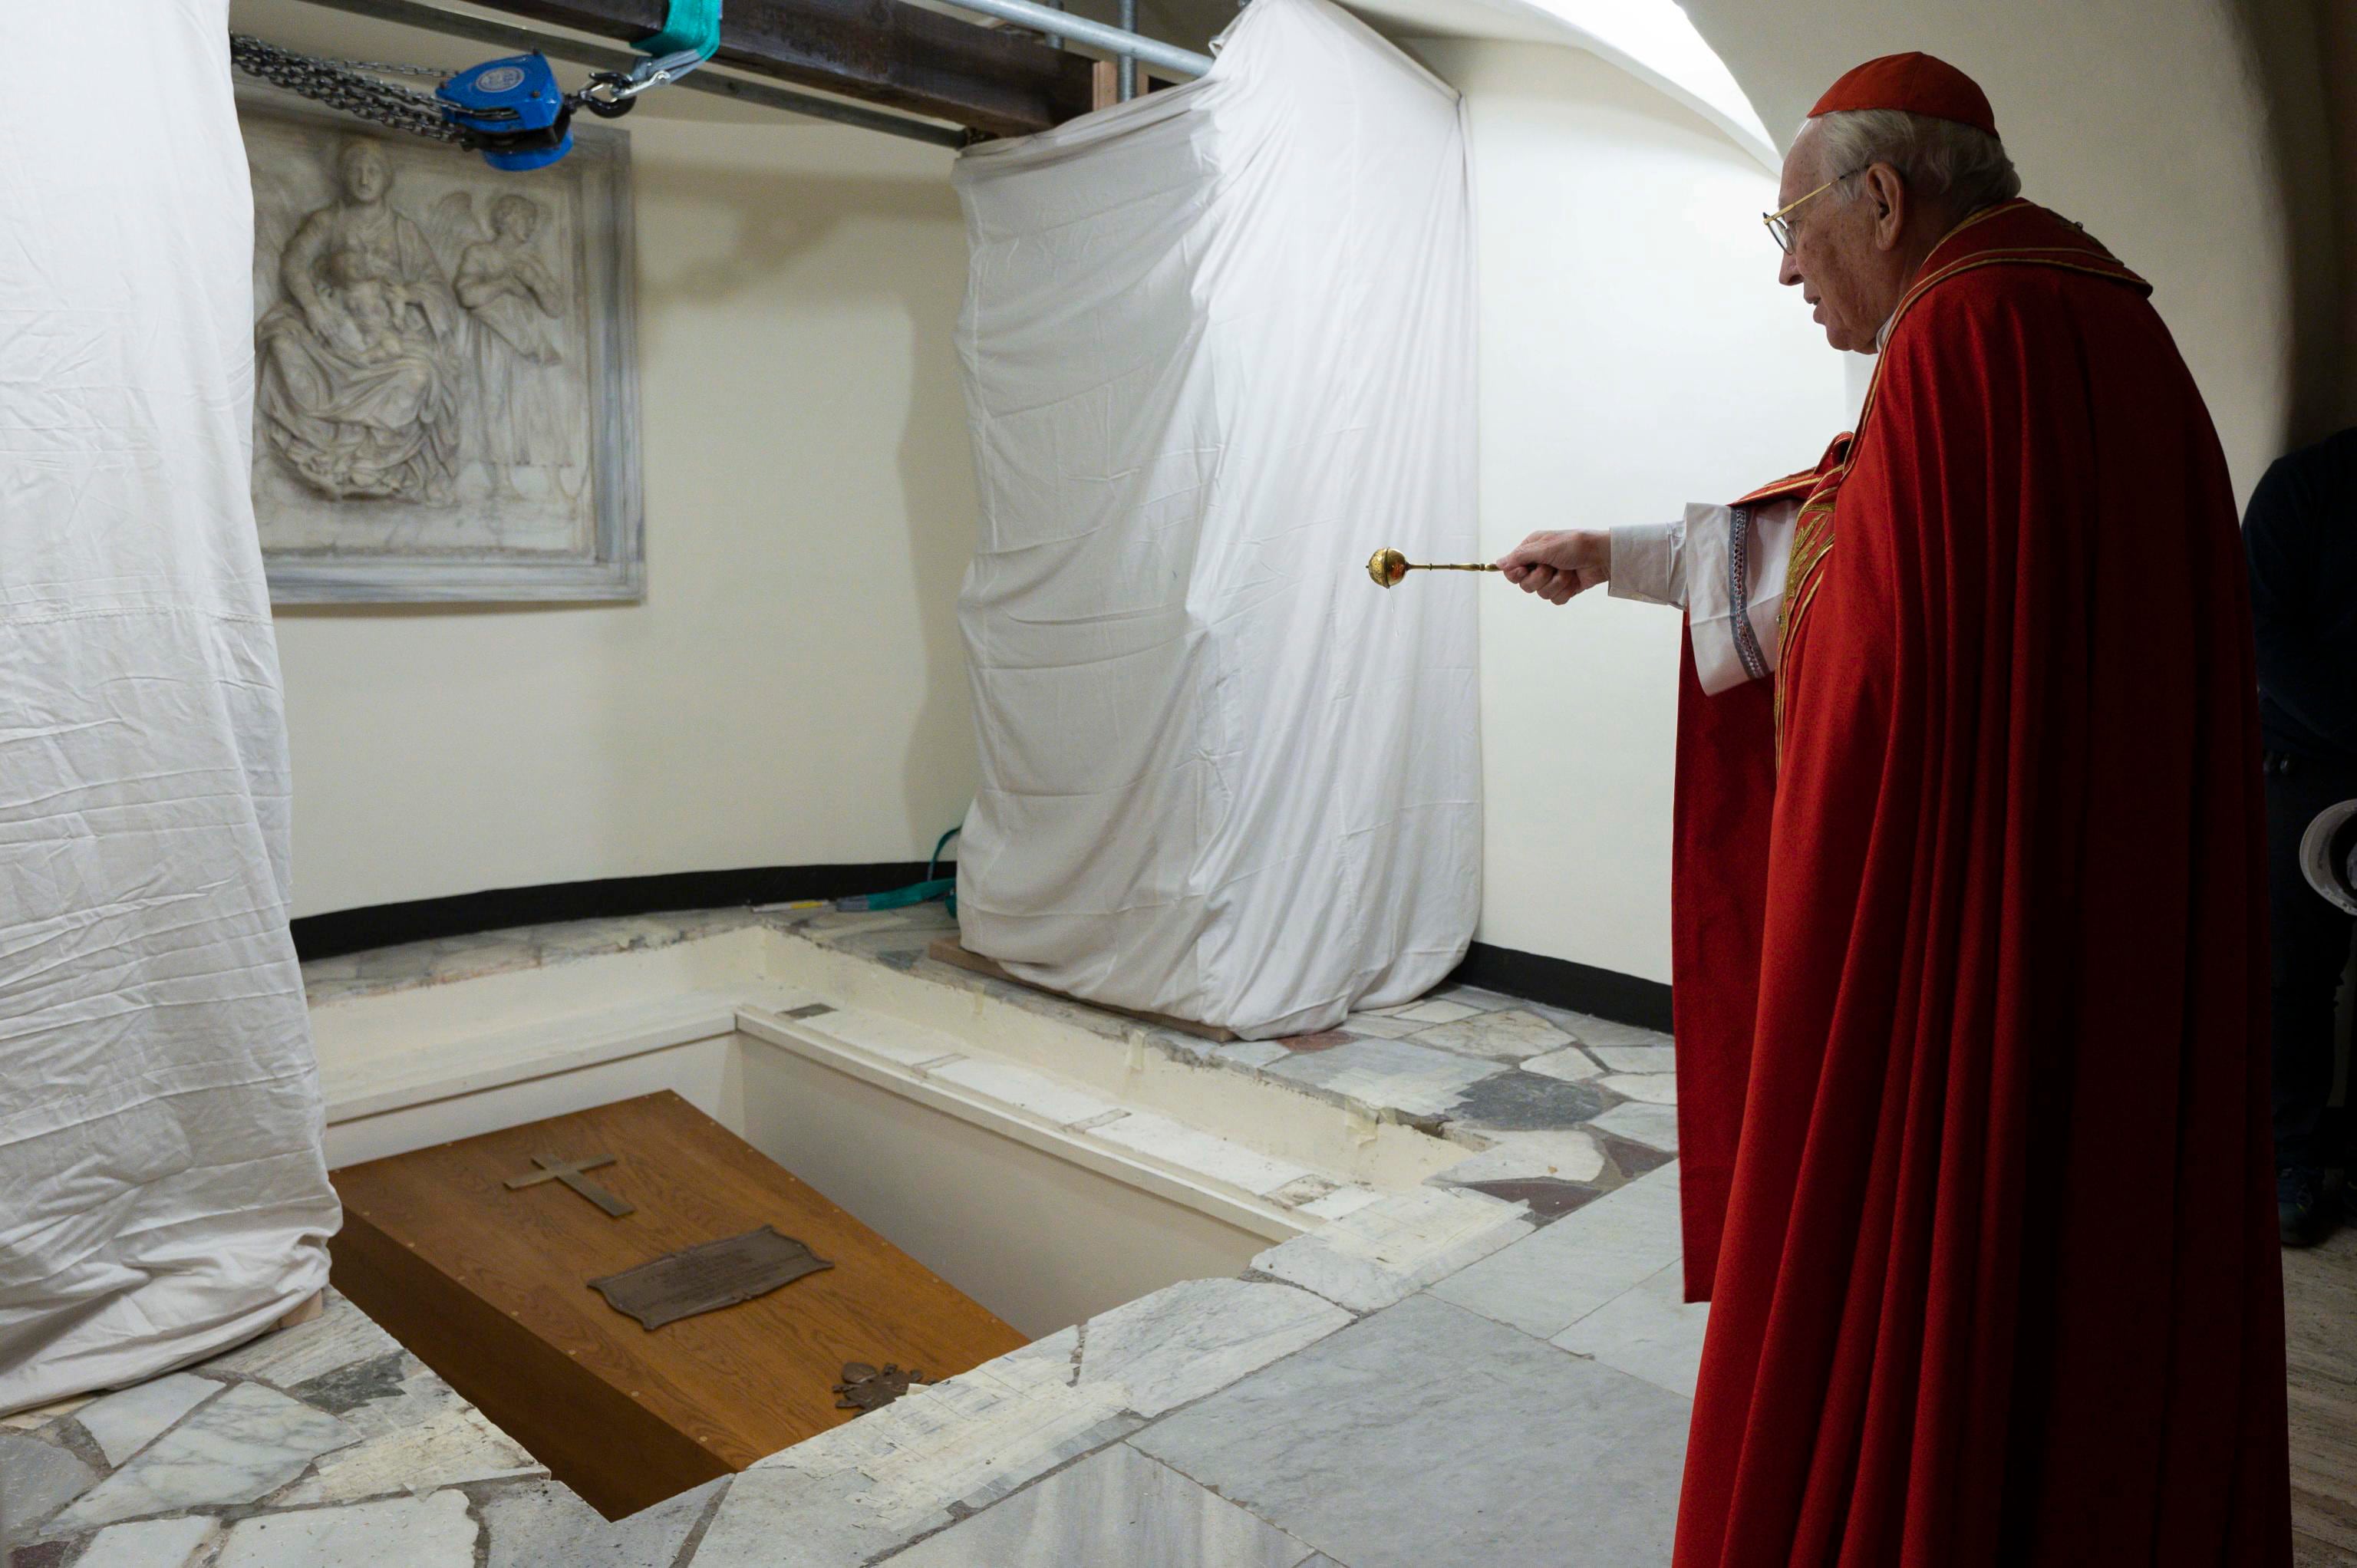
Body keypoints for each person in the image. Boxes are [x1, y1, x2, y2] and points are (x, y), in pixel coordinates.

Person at [1499, 53, 2290, 1566]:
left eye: (1793, 226)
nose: (1789, 267)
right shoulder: (2106, 326)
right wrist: (1620, 552)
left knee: (1947, 1262)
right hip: (2107, 911)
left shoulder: (1959, 340)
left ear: (1882, 194)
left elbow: (1869, 654)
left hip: (1967, 939)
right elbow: (1866, 547)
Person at [2244, 429, 2357, 1244]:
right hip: (2305, 766)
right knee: (2292, 979)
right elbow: (2259, 631)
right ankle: (2289, 1158)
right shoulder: (2306, 484)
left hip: (2320, 754)